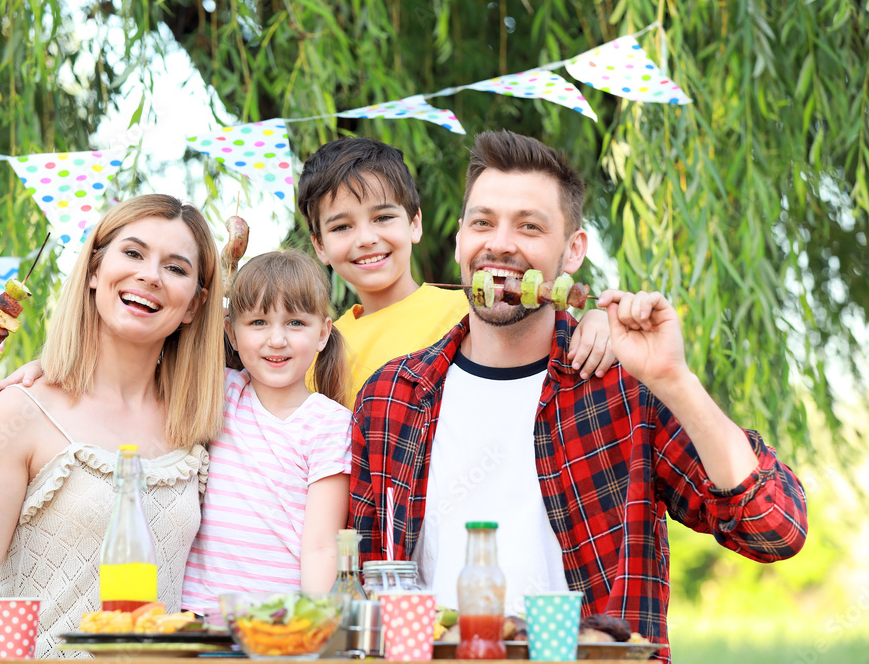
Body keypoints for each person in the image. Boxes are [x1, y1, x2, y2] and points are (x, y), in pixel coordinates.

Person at [348, 131, 808, 661]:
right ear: (458, 241)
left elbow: (775, 530)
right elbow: (364, 579)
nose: (499, 243)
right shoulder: (390, 398)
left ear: (573, 252)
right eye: (482, 222)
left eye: (529, 226)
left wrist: (674, 379)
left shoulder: (623, 388)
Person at [0, 194, 225, 659]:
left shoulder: (203, 423)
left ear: (194, 304)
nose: (149, 274)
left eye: (176, 268)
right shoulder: (23, 409)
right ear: (93, 271)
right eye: (132, 253)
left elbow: (277, 332)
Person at [297, 137, 616, 408]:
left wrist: (597, 322)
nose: (366, 239)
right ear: (320, 245)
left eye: (382, 218)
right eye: (341, 226)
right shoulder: (318, 350)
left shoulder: (472, 312)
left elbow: (543, 332)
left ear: (415, 223)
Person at [180, 250, 353, 622]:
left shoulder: (330, 424)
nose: (276, 340)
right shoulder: (221, 393)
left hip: (282, 624)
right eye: (258, 322)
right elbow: (145, 359)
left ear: (323, 332)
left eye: (295, 323)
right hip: (200, 619)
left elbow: (323, 546)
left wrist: (313, 629)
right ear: (232, 332)